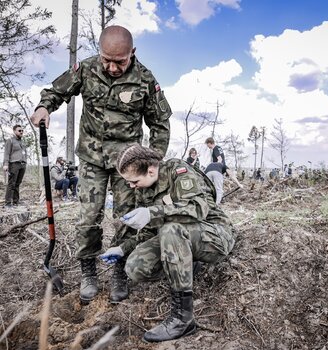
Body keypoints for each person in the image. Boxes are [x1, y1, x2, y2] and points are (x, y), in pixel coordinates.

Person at [30, 25, 172, 303]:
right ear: (99, 52)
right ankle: (88, 271)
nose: (112, 67)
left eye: (120, 61)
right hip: (92, 158)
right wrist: (44, 106)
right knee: (88, 216)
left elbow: (160, 124)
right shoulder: (86, 68)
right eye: (107, 59)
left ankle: (119, 268)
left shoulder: (144, 79)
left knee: (127, 216)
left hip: (128, 163)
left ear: (133, 53)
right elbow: (56, 91)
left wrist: (152, 161)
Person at [100, 144, 235, 342]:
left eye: (134, 181)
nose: (131, 186)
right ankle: (187, 264)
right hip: (181, 237)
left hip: (214, 233)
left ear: (151, 170)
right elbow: (147, 231)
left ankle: (183, 319)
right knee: (135, 267)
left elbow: (198, 209)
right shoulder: (144, 190)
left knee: (170, 229)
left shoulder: (179, 171)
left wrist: (152, 212)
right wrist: (122, 248)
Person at [3, 125, 27, 208]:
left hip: (22, 164)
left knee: (17, 183)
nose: (21, 132)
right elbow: (6, 153)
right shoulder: (10, 141)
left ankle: (16, 201)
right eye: (19, 130)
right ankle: (8, 203)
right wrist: (6, 164)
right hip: (14, 164)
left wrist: (25, 162)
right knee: (11, 184)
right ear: (14, 131)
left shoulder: (22, 142)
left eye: (22, 131)